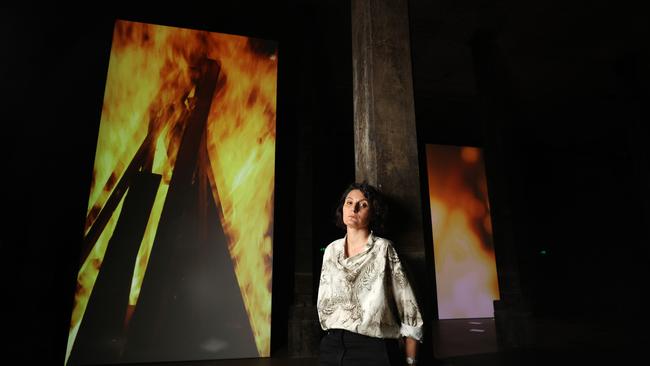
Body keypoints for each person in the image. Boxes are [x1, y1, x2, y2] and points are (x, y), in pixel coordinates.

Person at [317, 182, 424, 366]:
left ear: (373, 213)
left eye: (363, 204)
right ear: (342, 208)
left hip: (373, 349)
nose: (354, 208)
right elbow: (325, 302)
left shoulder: (384, 249)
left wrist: (410, 359)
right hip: (332, 346)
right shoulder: (331, 251)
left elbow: (409, 309)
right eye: (349, 203)